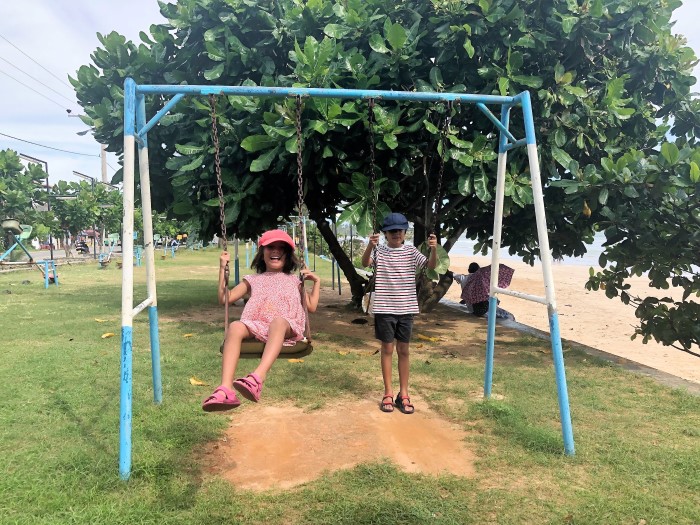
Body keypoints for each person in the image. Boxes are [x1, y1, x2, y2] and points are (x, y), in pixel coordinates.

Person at [202, 229, 321, 412]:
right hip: (258, 325)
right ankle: (226, 389)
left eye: (281, 248)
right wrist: (221, 270)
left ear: (288, 255)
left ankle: (257, 378)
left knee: (278, 322)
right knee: (234, 326)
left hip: (286, 325)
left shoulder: (294, 281)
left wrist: (316, 282)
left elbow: (311, 306)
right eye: (270, 247)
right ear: (262, 253)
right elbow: (225, 299)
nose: (276, 251)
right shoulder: (253, 280)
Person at [361, 212, 437, 415]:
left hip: (406, 308)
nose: (396, 234)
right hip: (385, 308)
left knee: (404, 350)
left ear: (405, 233)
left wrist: (433, 250)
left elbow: (431, 266)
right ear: (385, 234)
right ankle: (388, 392)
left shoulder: (411, 251)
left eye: (399, 230)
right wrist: (371, 244)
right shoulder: (380, 252)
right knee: (387, 348)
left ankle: (404, 393)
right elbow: (364, 263)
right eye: (392, 231)